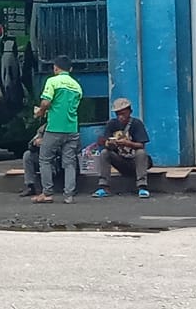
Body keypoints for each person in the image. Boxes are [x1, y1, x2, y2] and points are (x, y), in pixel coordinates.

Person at [32, 55, 83, 205]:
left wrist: (40, 112)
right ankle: (69, 195)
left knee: (45, 159)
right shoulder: (77, 86)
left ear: (55, 67)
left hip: (55, 128)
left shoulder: (53, 81)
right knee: (69, 162)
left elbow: (46, 101)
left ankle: (47, 193)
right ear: (70, 69)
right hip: (72, 128)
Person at [91, 98, 152, 199]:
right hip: (120, 160)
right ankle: (103, 186)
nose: (121, 117)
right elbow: (106, 142)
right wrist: (109, 143)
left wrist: (127, 143)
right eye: (118, 114)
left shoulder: (136, 124)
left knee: (141, 153)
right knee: (104, 153)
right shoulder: (112, 124)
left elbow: (141, 145)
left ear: (130, 112)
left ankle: (142, 187)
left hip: (135, 161)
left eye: (123, 114)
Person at [20, 123, 51, 198]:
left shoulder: (63, 129)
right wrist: (35, 143)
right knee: (27, 155)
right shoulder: (43, 128)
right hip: (41, 157)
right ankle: (30, 186)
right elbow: (30, 144)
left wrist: (46, 143)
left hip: (54, 159)